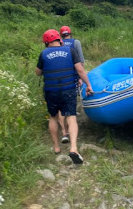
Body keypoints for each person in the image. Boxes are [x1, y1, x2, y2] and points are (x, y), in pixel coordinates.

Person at [36, 29, 93, 164]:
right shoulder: (70, 51)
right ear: (59, 39)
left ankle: (56, 147)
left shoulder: (43, 54)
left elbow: (38, 73)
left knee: (53, 117)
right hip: (68, 89)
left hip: (51, 91)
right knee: (71, 117)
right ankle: (73, 148)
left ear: (46, 42)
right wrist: (88, 85)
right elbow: (80, 70)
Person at [58, 25, 85, 144]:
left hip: (59, 78)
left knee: (60, 105)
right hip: (72, 77)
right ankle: (71, 130)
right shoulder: (76, 42)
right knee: (71, 104)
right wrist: (80, 76)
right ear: (70, 33)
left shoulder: (57, 44)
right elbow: (81, 61)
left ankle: (63, 132)